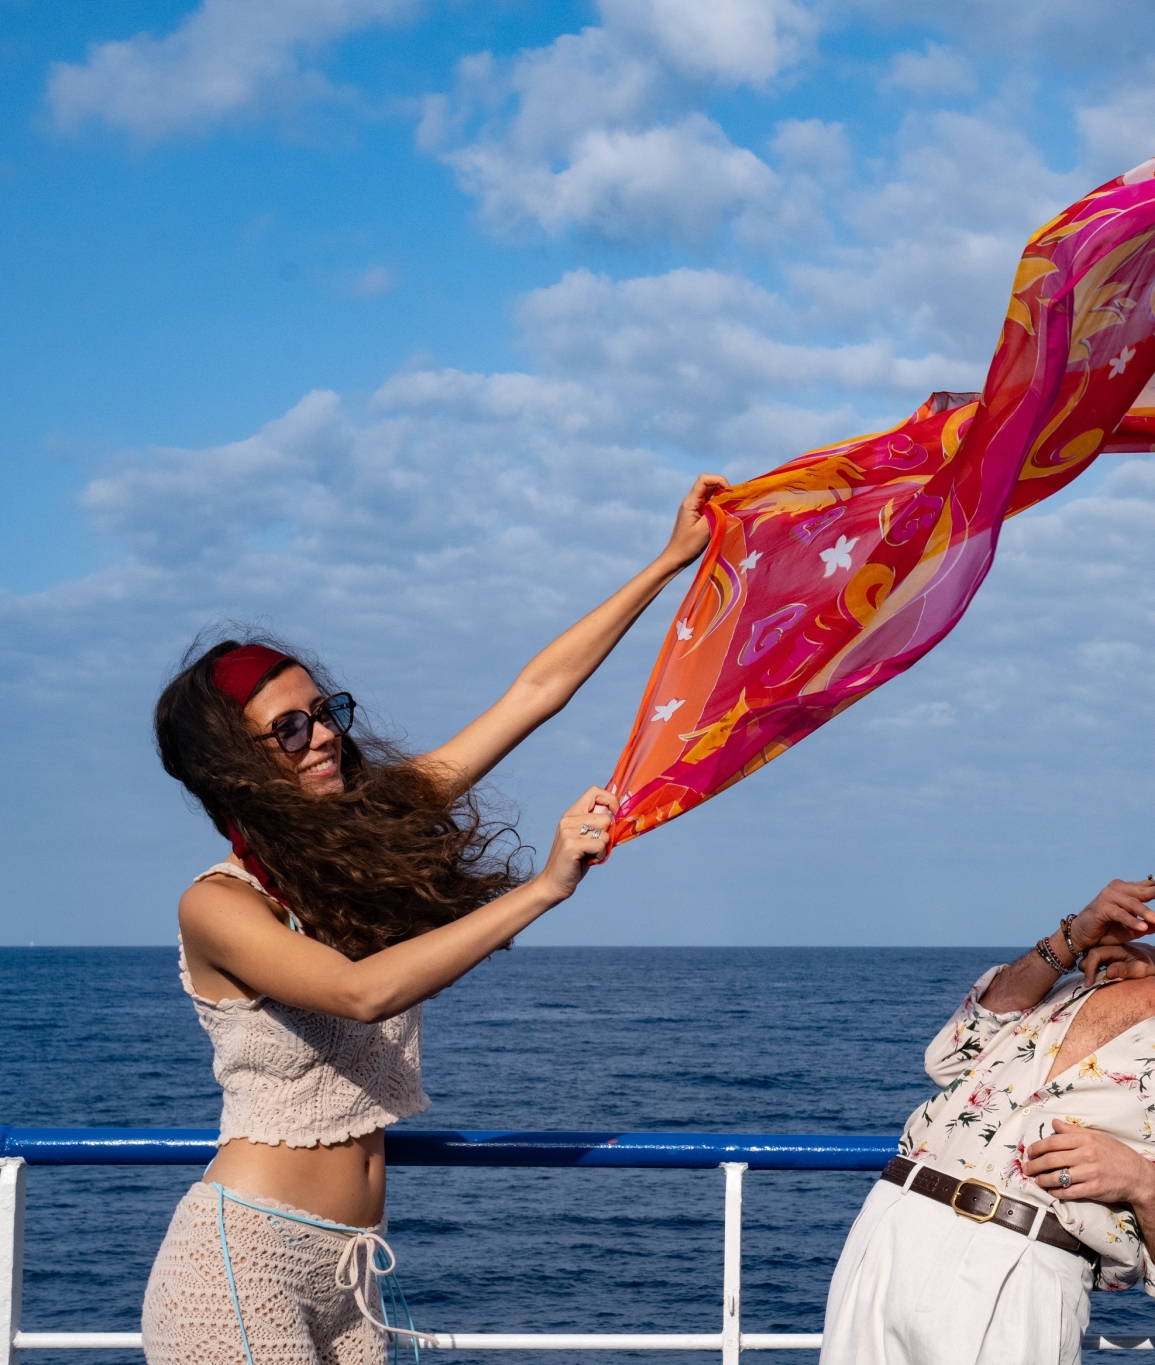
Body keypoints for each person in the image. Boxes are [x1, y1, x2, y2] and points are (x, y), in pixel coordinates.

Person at [139, 473, 728, 1365]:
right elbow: (361, 991)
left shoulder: (364, 841)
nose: (324, 735)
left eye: (325, 713)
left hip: (352, 1273)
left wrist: (671, 560)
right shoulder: (219, 905)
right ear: (234, 763)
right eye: (289, 728)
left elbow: (534, 691)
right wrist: (542, 888)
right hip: (241, 1263)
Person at [819, 799, 1155, 1365]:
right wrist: (1069, 940)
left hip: (1017, 1274)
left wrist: (1146, 1188)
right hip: (889, 1225)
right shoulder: (1099, 971)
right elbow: (950, 1057)